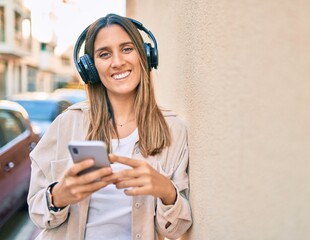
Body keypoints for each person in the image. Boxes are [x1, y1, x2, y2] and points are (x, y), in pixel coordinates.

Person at [27, 13, 192, 240]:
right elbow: (37, 212)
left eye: (127, 49)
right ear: (90, 68)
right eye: (104, 54)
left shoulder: (173, 130)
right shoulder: (66, 124)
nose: (117, 62)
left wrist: (166, 191)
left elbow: (176, 229)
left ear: (145, 56)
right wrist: (58, 196)